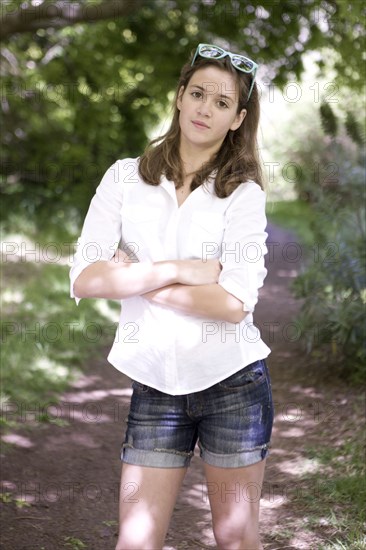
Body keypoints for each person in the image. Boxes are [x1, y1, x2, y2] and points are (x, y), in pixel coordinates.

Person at [70, 43, 274, 550]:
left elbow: (233, 304)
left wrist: (138, 276)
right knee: (136, 541)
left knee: (236, 540)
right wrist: (185, 272)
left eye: (222, 103)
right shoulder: (123, 177)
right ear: (180, 97)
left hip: (233, 384)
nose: (206, 108)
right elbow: (86, 279)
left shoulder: (243, 194)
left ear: (236, 119)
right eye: (198, 93)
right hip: (155, 383)